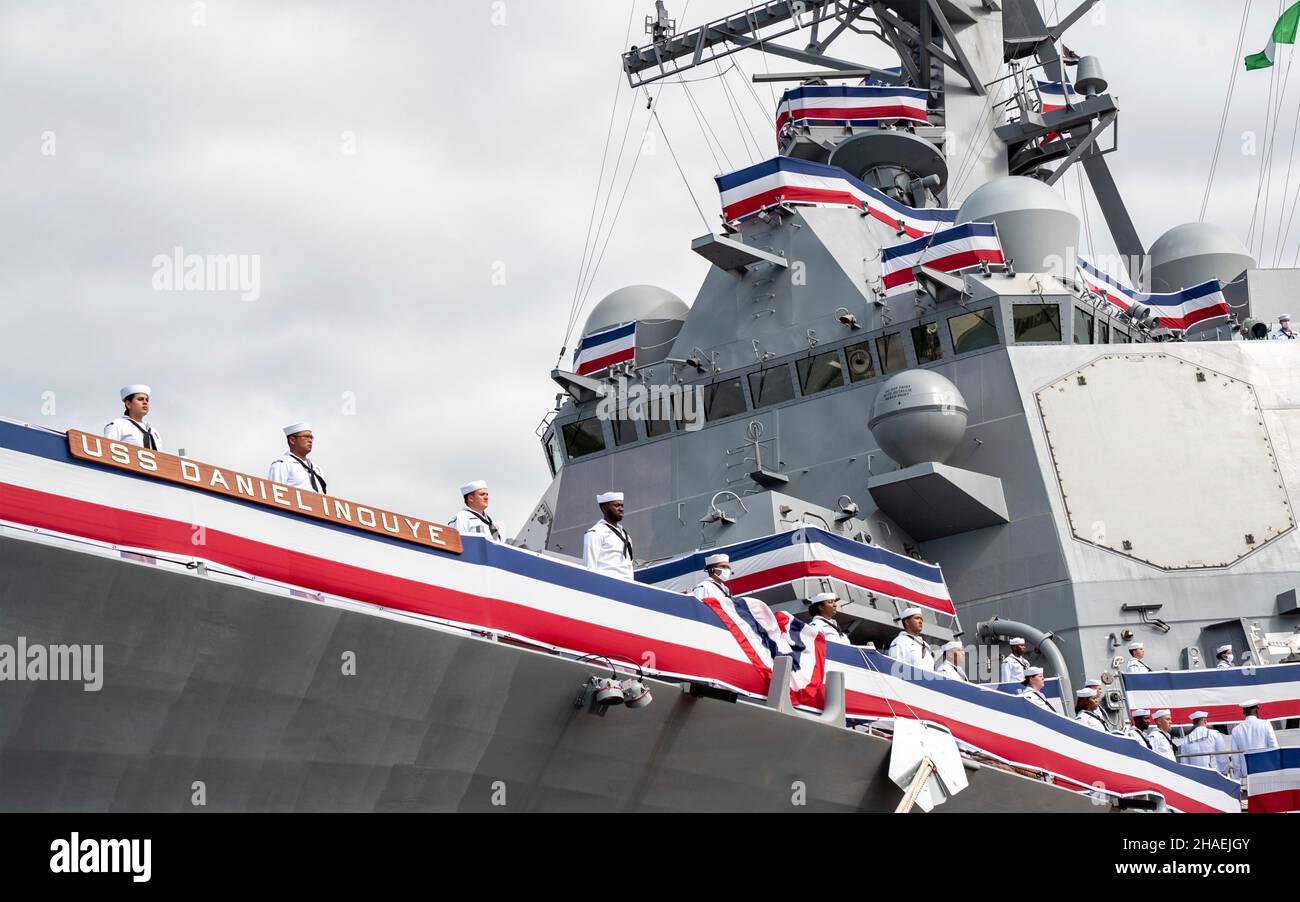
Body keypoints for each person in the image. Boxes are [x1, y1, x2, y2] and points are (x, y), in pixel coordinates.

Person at [582, 491, 635, 580]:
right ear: (604, 508)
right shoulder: (596, 532)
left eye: (622, 505)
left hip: (628, 587)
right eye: (616, 505)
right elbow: (589, 567)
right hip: (607, 584)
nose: (621, 509)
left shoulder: (626, 536)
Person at [268, 422, 328, 493]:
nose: (310, 440)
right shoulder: (282, 464)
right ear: (292, 440)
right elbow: (273, 493)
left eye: (311, 437)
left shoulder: (317, 469)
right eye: (306, 436)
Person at [1230, 699, 1279, 778]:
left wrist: (1238, 776)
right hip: (1266, 769)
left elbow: (1235, 757)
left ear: (1244, 712)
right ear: (1257, 710)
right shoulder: (1265, 724)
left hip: (1247, 772)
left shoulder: (1236, 730)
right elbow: (1274, 747)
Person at [104, 384, 160, 450]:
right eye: (140, 399)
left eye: (147, 400)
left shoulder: (154, 432)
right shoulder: (117, 425)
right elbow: (107, 450)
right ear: (128, 404)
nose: (145, 402)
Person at [886, 607, 934, 672]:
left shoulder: (926, 645)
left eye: (921, 619)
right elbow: (895, 667)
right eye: (917, 618)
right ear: (907, 622)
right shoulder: (900, 641)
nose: (920, 621)